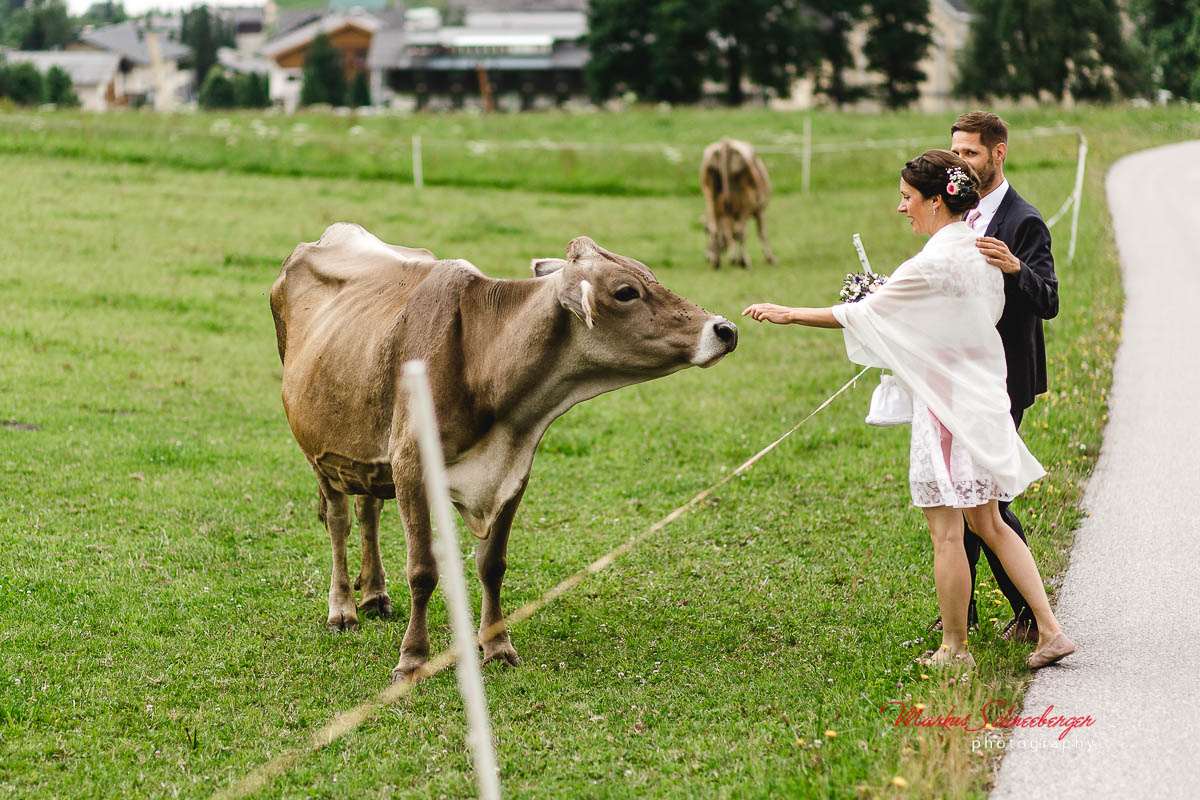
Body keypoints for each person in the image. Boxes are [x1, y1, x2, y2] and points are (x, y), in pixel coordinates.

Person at [742, 150, 1074, 669]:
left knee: (948, 532)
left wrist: (788, 314)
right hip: (983, 397)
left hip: (948, 409)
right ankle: (1050, 630)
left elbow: (865, 314)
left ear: (936, 201)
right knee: (989, 523)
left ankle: (955, 648)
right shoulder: (981, 251)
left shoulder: (933, 261)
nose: (902, 209)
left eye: (906, 198)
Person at [940, 111, 1059, 645]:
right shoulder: (954, 214)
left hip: (1006, 377)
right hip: (961, 374)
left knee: (983, 500)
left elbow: (1049, 300)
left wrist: (1016, 268)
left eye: (970, 154)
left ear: (998, 154)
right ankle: (960, 617)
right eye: (955, 153)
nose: (960, 164)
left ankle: (1028, 614)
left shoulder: (1024, 220)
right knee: (969, 497)